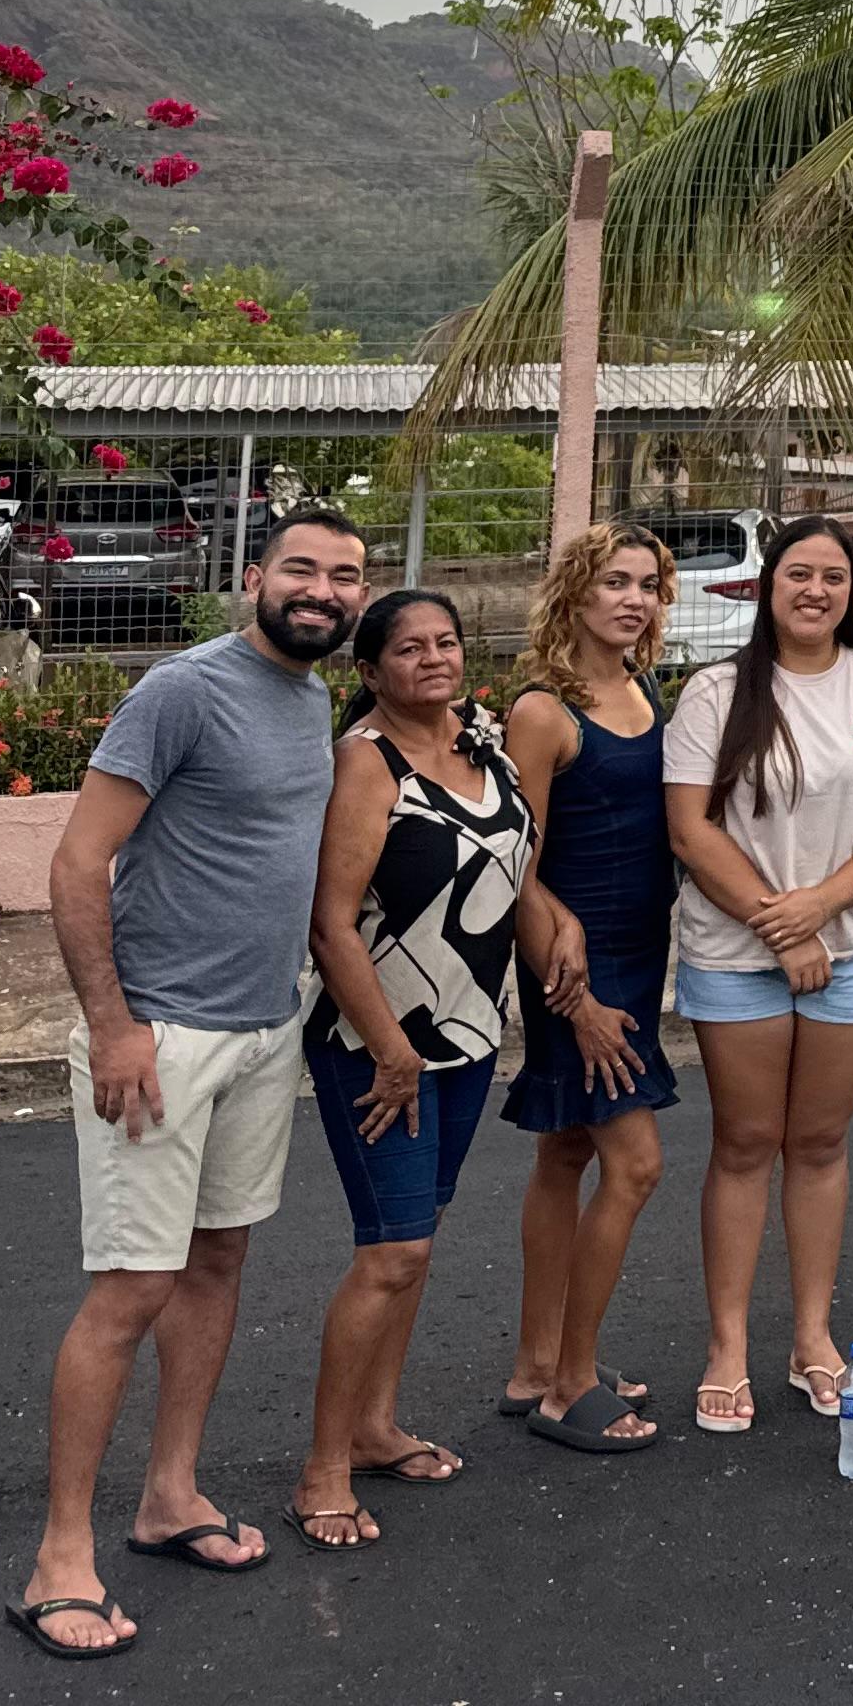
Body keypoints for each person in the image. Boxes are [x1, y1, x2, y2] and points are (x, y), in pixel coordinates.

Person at [12, 504, 371, 1660]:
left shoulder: (309, 694)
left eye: (346, 576)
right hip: (160, 1037)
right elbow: (80, 859)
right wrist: (111, 1027)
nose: (322, 590)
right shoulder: (183, 688)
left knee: (219, 1259)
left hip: (265, 1030)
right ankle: (60, 1556)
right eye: (302, 570)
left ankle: (170, 1495)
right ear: (255, 577)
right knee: (130, 1292)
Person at [663, 513, 853, 1434]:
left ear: (852, 591)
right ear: (767, 589)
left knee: (819, 1145)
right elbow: (691, 828)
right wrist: (781, 929)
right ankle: (728, 1344)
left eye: (832, 577)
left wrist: (821, 908)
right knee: (745, 1144)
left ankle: (812, 1337)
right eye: (797, 576)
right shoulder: (713, 693)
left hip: (851, 950)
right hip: (737, 953)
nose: (815, 591)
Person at [292, 590, 551, 1547]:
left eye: (445, 643)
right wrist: (391, 1048)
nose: (432, 660)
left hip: (469, 1033)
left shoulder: (480, 735)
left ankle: (374, 1426)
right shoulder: (366, 763)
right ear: (370, 671)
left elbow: (514, 865)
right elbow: (331, 921)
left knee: (418, 1244)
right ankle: (321, 1469)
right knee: (390, 1251)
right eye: (408, 649)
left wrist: (554, 929)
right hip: (377, 1047)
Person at [498, 523, 681, 1449]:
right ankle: (572, 1386)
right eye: (615, 581)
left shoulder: (640, 690)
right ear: (575, 591)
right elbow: (514, 868)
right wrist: (575, 1000)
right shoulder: (544, 710)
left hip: (641, 954)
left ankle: (537, 1362)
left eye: (648, 584)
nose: (634, 599)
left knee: (566, 1152)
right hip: (577, 965)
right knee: (636, 1163)